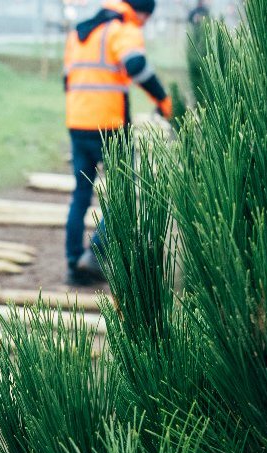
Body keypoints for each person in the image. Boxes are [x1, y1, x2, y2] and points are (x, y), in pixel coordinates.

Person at [62, 0, 172, 287]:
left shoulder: (80, 33)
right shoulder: (122, 29)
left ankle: (75, 265)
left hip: (77, 122)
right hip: (109, 125)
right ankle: (96, 254)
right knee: (123, 190)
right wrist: (163, 101)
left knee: (81, 194)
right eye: (146, 17)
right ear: (138, 11)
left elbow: (67, 79)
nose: (145, 23)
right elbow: (136, 65)